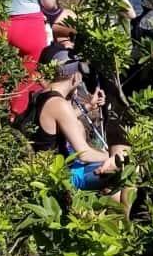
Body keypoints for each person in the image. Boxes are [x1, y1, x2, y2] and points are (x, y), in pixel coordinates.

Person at [27, 46, 126, 193]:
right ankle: (125, 213)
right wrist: (114, 157)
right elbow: (84, 154)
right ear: (74, 76)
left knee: (112, 164)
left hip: (48, 169)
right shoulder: (59, 104)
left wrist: (87, 106)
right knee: (125, 167)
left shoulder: (42, 96)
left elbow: (63, 120)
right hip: (64, 175)